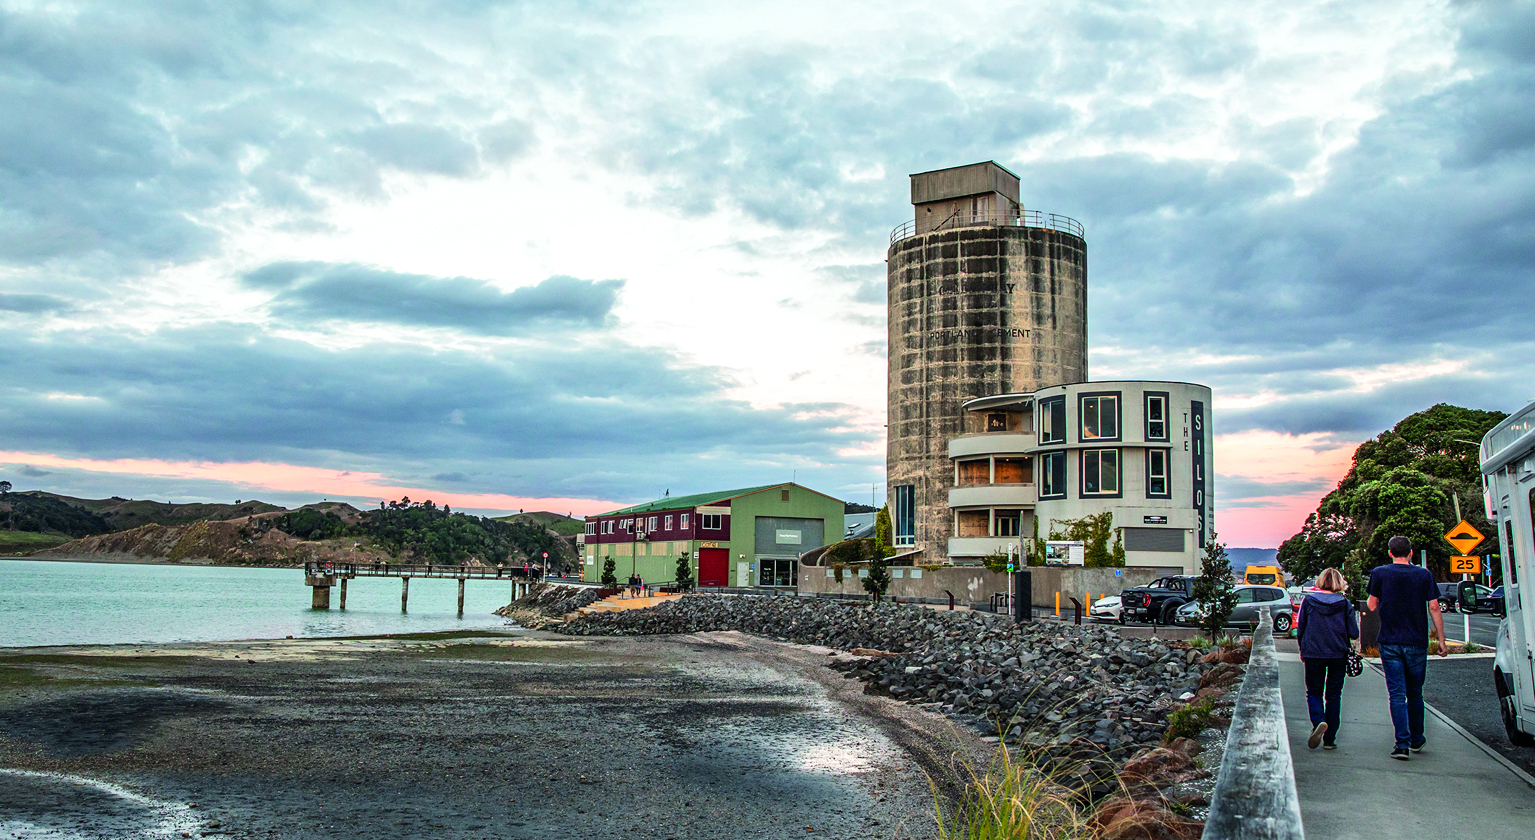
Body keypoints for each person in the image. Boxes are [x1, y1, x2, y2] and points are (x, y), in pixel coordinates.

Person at [1368, 535, 1447, 760]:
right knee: (1415, 693)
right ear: (1411, 553)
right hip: (1416, 641)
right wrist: (1440, 640)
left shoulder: (1380, 573)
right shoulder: (1424, 574)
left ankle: (1400, 744)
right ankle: (1416, 739)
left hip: (1390, 641)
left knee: (1396, 694)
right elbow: (1434, 607)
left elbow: (1372, 605)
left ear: (1390, 553)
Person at [1297, 567, 1358, 750]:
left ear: (1320, 580)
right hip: (1338, 654)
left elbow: (1301, 629)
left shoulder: (1308, 601)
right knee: (1333, 695)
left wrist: (1302, 649)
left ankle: (1318, 722)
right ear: (1339, 583)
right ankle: (1330, 739)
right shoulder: (1345, 604)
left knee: (1314, 692)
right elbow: (1354, 633)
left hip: (1313, 652)